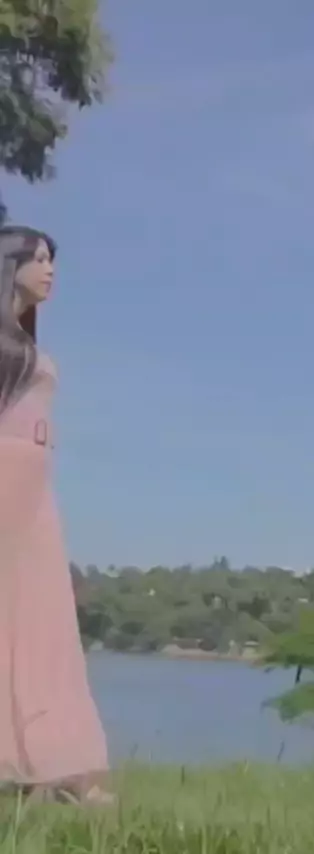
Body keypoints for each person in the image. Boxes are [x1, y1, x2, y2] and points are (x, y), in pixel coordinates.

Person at [0, 226, 113, 805]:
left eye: (52, 260)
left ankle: (50, 760)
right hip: (6, 478)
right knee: (14, 615)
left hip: (35, 483)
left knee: (42, 618)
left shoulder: (26, 341)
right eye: (39, 259)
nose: (50, 270)